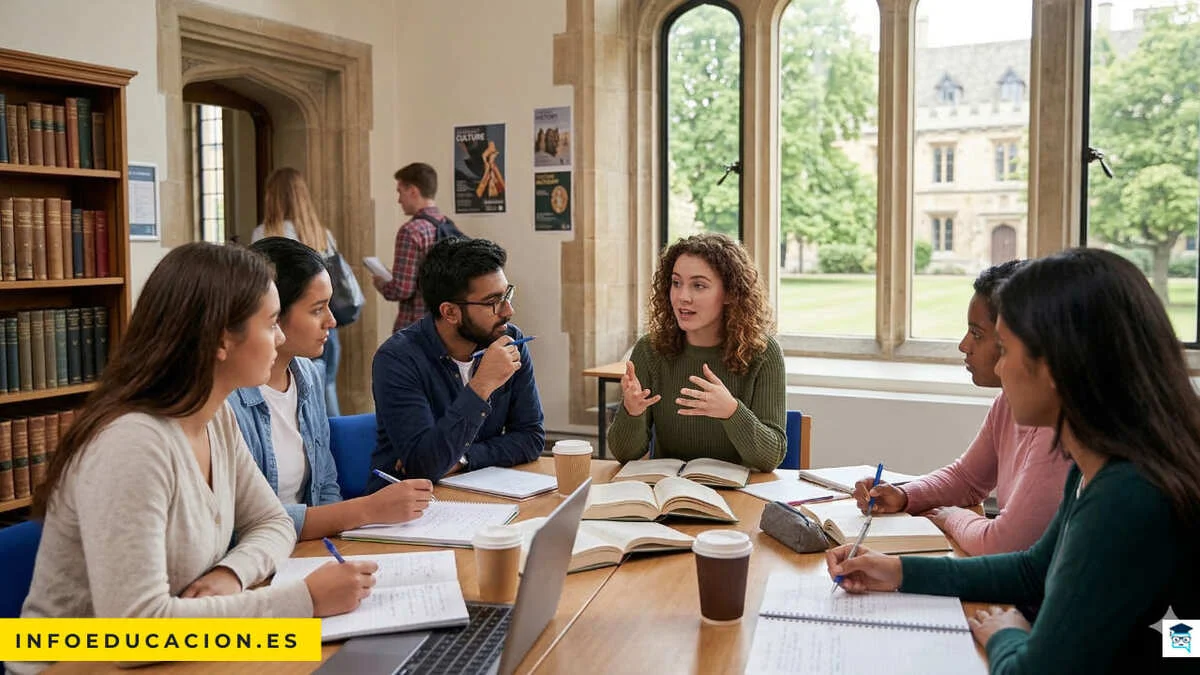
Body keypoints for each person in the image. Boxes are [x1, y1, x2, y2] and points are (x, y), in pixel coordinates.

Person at [825, 248, 1200, 673]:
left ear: (1056, 366)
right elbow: (1033, 570)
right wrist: (896, 571)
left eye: (1003, 349)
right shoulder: (1096, 459)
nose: (1000, 368)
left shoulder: (1125, 494)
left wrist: (1005, 633)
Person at [13, 243, 375, 675]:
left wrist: (231, 573)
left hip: (177, 649)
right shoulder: (133, 444)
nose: (279, 338)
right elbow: (136, 632)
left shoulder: (215, 416)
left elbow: (273, 522)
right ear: (222, 339)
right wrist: (305, 600)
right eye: (271, 323)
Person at [851, 261, 1069, 555]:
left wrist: (951, 517)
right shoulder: (1008, 402)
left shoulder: (1055, 426)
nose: (964, 345)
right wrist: (903, 495)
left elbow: (1002, 544)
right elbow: (967, 478)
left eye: (977, 334)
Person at [227, 237, 433, 540]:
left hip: (306, 549)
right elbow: (242, 521)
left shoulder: (308, 375)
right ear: (272, 314)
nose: (332, 321)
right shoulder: (226, 398)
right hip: (260, 553)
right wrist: (366, 510)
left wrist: (336, 545)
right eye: (317, 310)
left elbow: (325, 486)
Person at [367, 237, 544, 487]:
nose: (508, 311)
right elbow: (423, 467)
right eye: (493, 302)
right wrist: (481, 386)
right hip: (409, 502)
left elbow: (531, 438)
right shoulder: (397, 359)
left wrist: (463, 458)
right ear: (450, 312)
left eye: (507, 294)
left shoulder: (510, 341)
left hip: (481, 489)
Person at [607, 233, 785, 471]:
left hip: (737, 491)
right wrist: (631, 412)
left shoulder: (764, 352)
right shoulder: (650, 350)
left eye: (698, 285)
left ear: (730, 293)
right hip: (668, 489)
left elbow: (770, 458)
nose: (682, 297)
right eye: (676, 283)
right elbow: (624, 455)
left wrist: (731, 411)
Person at [252, 167, 342, 416]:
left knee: (312, 387)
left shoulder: (265, 232)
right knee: (328, 387)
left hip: (307, 317)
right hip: (312, 321)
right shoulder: (322, 233)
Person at [373, 162, 456, 332]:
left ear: (412, 191)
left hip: (416, 327)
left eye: (400, 192)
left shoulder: (411, 231)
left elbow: (402, 290)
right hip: (444, 324)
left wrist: (381, 283)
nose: (399, 200)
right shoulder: (447, 224)